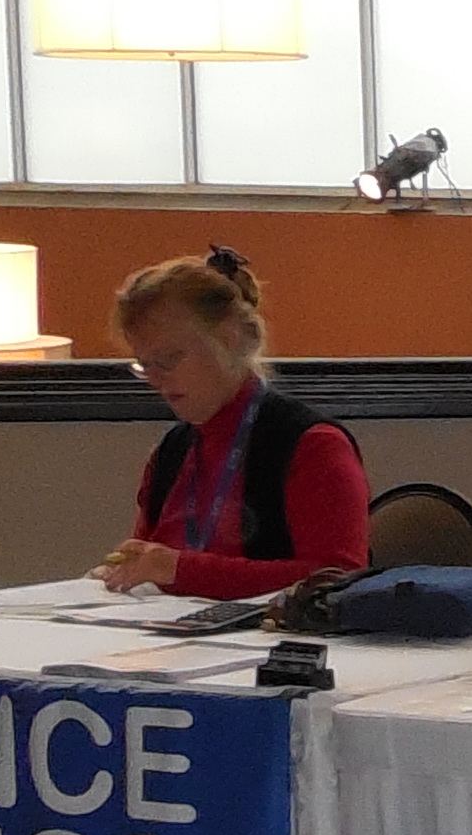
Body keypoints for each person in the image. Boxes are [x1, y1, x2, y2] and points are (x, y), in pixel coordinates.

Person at [97, 248, 372, 599]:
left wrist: (182, 571)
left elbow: (338, 579)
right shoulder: (171, 452)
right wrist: (123, 571)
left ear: (229, 338)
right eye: (144, 365)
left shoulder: (312, 446)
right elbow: (152, 562)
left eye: (168, 359)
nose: (155, 379)